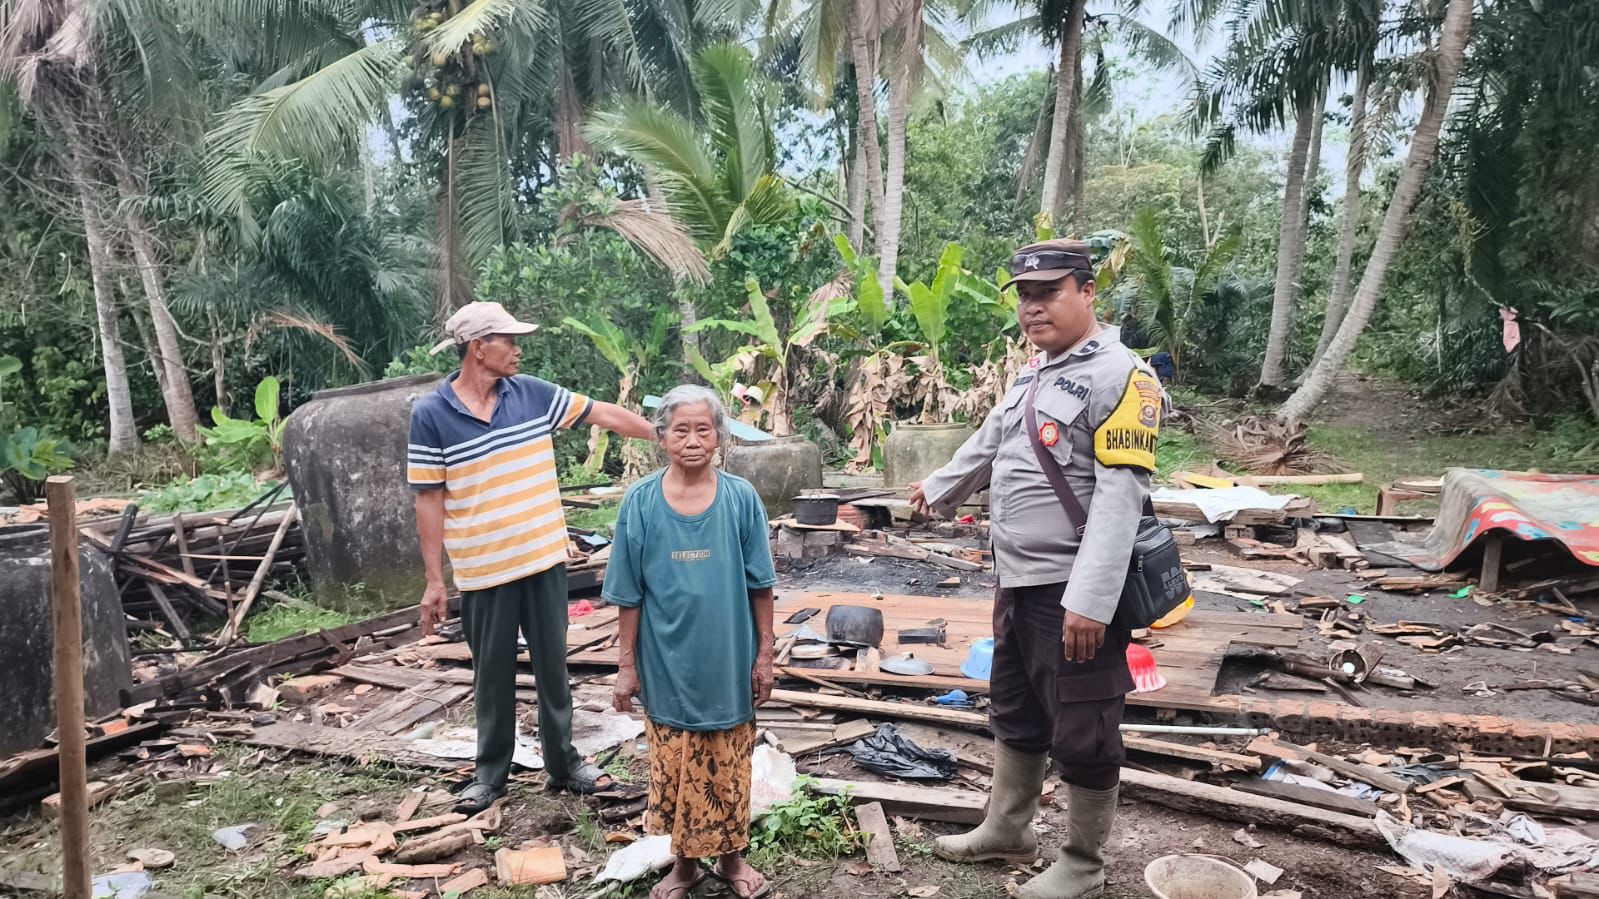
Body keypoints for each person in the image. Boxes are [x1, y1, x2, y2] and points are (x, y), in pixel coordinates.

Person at [908, 239, 1162, 899]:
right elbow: (989, 440)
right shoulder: (1035, 371)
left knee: (1084, 723)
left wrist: (1091, 600)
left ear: (1086, 292)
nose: (1032, 305)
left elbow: (1119, 496)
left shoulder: (1122, 375)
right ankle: (1008, 826)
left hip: (1071, 589)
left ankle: (1082, 858)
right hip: (1016, 580)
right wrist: (937, 488)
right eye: (1024, 294)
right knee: (1015, 709)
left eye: (1048, 291)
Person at [407, 301, 655, 814]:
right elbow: (428, 499)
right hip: (483, 570)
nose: (518, 349)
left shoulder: (534, 395)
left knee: (552, 667)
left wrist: (663, 433)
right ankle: (490, 775)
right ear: (480, 348)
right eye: (509, 340)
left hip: (543, 560)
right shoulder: (431, 414)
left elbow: (602, 414)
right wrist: (435, 581)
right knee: (491, 674)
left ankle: (564, 764)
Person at [604, 385, 777, 899]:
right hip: (666, 662)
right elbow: (628, 594)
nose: (694, 440)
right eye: (681, 429)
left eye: (705, 429)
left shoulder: (741, 498)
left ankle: (731, 860)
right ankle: (684, 866)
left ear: (720, 436)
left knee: (728, 762)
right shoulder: (640, 502)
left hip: (728, 660)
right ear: (661, 438)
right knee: (676, 763)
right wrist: (626, 666)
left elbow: (760, 585)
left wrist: (764, 656)